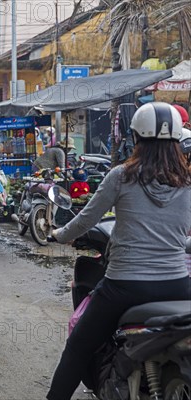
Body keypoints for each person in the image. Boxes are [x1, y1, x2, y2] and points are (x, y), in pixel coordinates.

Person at [46, 102, 191, 399]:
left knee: (78, 347)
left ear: (135, 138)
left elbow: (87, 219)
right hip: (179, 287)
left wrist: (60, 235)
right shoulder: (187, 182)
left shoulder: (121, 176)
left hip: (125, 286)